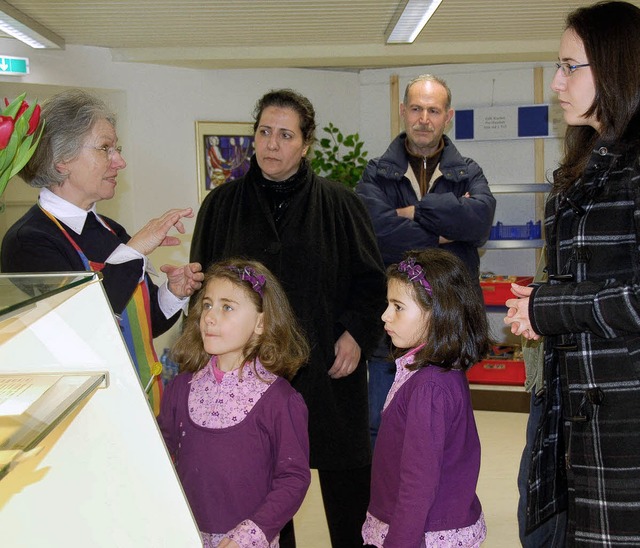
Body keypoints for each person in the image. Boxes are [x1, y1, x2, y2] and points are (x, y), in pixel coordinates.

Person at [190, 88, 386, 547]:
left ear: (306, 143)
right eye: (264, 133)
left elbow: (373, 283)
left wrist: (356, 333)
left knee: (348, 497)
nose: (272, 145)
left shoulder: (341, 205)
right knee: (264, 498)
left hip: (329, 373)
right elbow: (204, 291)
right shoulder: (220, 206)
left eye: (285, 135)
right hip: (249, 380)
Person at [504, 2, 640, 544]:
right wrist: (541, 301)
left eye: (570, 66)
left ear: (615, 66)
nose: (558, 82)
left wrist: (549, 307)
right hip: (572, 410)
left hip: (625, 420)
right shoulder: (587, 163)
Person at [0, 89, 203, 414]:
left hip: (141, 407)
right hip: (86, 416)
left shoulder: (110, 230)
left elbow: (138, 324)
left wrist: (171, 294)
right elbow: (79, 330)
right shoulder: (29, 241)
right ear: (61, 160)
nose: (119, 161)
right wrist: (134, 250)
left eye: (117, 149)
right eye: (105, 148)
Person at [355, 74, 495, 448]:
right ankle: (382, 505)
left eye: (433, 110)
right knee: (382, 424)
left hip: (448, 322)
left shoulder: (468, 171)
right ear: (403, 112)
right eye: (416, 109)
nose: (424, 118)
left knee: (444, 425)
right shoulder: (376, 173)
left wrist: (413, 212)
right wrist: (446, 232)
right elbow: (377, 233)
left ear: (447, 116)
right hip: (391, 328)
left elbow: (479, 223)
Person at [158, 259, 311, 547]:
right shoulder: (180, 388)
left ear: (260, 323)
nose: (210, 318)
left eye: (227, 307)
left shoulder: (280, 400)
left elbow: (293, 479)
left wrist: (251, 533)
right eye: (207, 305)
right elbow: (160, 459)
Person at [362, 248, 489, 547]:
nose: (385, 315)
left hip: (423, 533)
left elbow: (418, 485)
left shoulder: (429, 388)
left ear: (437, 312)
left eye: (398, 306)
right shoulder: (432, 370)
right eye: (387, 304)